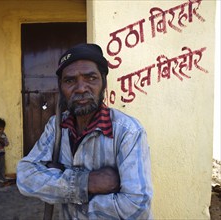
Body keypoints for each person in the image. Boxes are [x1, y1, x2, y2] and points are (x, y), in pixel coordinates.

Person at [16, 43, 153, 219]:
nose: (81, 88)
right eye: (70, 80)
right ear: (61, 87)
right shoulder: (57, 127)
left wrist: (58, 181)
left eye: (90, 78)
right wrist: (86, 183)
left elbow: (137, 206)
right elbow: (25, 176)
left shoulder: (128, 132)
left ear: (104, 82)